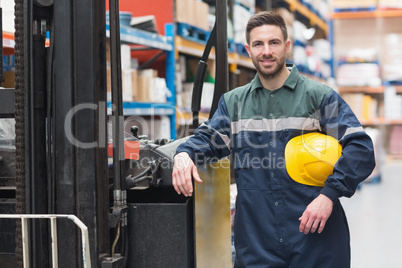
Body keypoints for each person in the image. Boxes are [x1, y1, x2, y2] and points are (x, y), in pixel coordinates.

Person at [172, 11, 375, 268]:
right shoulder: (235, 103)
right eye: (258, 44)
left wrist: (329, 194)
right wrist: (184, 153)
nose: (266, 51)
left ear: (287, 46)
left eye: (274, 42)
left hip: (316, 240)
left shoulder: (319, 97)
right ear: (248, 49)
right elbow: (210, 139)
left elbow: (360, 148)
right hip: (258, 245)